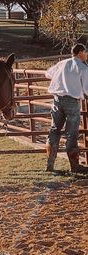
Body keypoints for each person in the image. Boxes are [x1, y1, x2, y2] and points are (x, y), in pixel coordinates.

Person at [45, 43, 88, 173]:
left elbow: (48, 73)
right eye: (85, 52)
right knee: (72, 133)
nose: (86, 54)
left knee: (54, 130)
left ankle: (50, 164)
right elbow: (87, 88)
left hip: (57, 99)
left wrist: (62, 79)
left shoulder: (62, 63)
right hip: (72, 101)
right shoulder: (83, 67)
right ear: (80, 52)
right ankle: (74, 166)